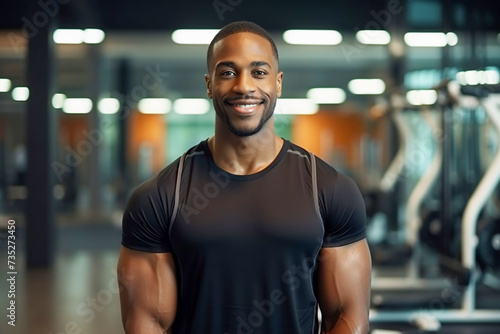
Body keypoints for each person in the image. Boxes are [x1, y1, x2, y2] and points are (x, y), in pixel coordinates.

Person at [117, 21, 371, 334]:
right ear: (209, 85)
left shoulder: (330, 190)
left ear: (278, 83)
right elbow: (147, 323)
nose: (243, 86)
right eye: (227, 72)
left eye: (258, 72)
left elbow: (348, 317)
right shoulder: (159, 197)